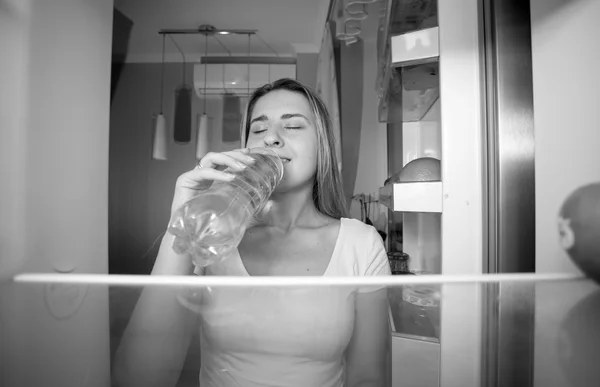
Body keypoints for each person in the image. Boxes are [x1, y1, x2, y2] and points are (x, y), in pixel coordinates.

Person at [114, 78, 391, 387]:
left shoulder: (362, 244)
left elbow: (369, 378)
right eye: (258, 129)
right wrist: (179, 230)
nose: (270, 137)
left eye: (293, 126)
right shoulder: (214, 234)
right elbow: (137, 377)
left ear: (322, 144)